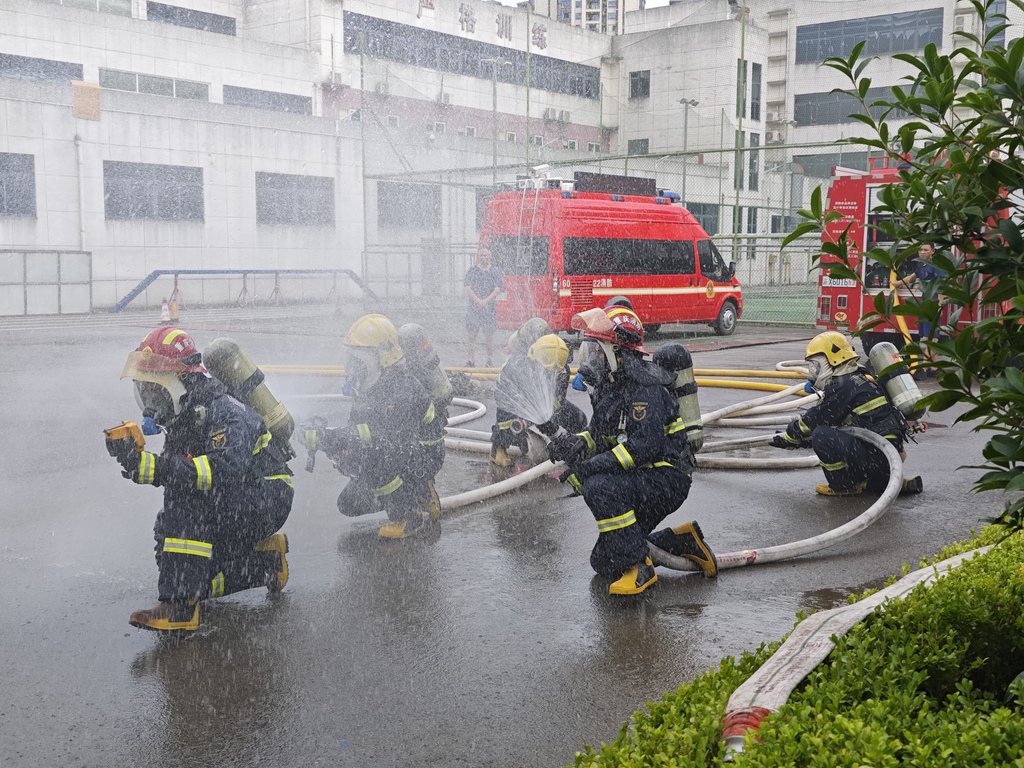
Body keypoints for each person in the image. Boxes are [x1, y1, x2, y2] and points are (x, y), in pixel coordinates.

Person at [113, 326, 294, 633]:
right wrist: (136, 461)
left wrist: (157, 469)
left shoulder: (225, 411)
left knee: (186, 503)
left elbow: (224, 472)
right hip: (237, 500)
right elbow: (182, 471)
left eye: (154, 390)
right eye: (145, 392)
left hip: (267, 497)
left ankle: (179, 609)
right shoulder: (186, 414)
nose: (150, 402)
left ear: (179, 379)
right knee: (174, 543)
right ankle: (266, 565)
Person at [546, 306, 718, 596]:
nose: (591, 359)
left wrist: (591, 467)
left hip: (666, 478)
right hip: (643, 478)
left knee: (599, 486)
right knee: (604, 562)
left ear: (616, 351)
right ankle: (683, 541)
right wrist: (576, 443)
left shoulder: (646, 389)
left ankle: (640, 568)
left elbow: (642, 448)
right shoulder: (611, 387)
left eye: (596, 351)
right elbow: (599, 435)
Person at [304, 314, 440, 539]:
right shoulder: (370, 384)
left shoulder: (401, 389)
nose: (352, 365)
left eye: (359, 359)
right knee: (348, 503)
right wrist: (338, 450)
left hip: (424, 455)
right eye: (351, 358)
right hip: (400, 451)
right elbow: (358, 428)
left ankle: (409, 514)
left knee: (379, 458)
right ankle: (415, 492)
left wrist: (339, 437)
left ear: (382, 356)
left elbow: (386, 439)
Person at [772, 331, 923, 497]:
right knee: (830, 434)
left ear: (832, 360)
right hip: (887, 455)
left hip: (876, 456)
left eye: (817, 364)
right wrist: (799, 442)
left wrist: (789, 437)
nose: (814, 371)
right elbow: (839, 427)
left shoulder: (843, 385)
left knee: (821, 435)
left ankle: (843, 486)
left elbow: (813, 421)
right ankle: (885, 483)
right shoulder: (860, 376)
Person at [491, 328, 587, 467]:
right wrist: (555, 436)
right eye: (547, 370)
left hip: (543, 410)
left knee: (579, 418)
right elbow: (537, 411)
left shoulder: (561, 370)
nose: (551, 373)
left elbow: (558, 401)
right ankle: (498, 448)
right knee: (511, 429)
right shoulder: (521, 369)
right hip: (516, 410)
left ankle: (580, 451)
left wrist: (564, 439)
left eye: (555, 370)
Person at [398, 322, 452, 517]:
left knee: (411, 462)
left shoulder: (418, 370)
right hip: (430, 434)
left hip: (426, 437)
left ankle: (423, 496)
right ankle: (422, 491)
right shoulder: (427, 361)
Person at [893, 242, 948, 378]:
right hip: (924, 304)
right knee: (926, 336)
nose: (922, 252)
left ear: (933, 251)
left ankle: (924, 367)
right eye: (920, 250)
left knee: (932, 336)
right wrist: (897, 283)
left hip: (933, 303)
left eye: (925, 250)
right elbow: (912, 278)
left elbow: (942, 285)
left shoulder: (936, 265)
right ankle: (935, 368)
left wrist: (939, 304)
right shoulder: (921, 265)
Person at [463, 246, 503, 368]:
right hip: (473, 309)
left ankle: (489, 361)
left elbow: (498, 289)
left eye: (485, 255)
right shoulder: (472, 271)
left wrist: (485, 301)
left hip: (489, 309)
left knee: (489, 336)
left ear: (490, 257)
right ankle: (471, 361)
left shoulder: (495, 271)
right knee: (471, 335)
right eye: (481, 255)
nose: (483, 257)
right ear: (478, 257)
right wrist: (478, 301)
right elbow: (467, 287)